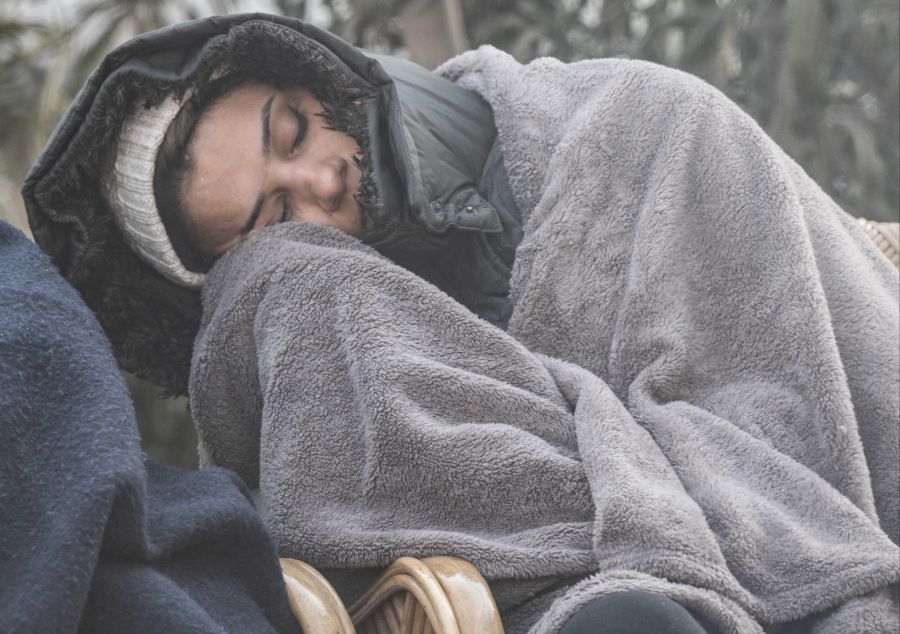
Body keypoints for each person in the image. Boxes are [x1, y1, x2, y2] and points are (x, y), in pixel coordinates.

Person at [22, 13, 899, 634]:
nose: (320, 182)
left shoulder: (630, 121)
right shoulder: (321, 321)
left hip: (783, 522)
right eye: (271, 220)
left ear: (307, 67)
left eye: (292, 131)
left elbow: (782, 380)